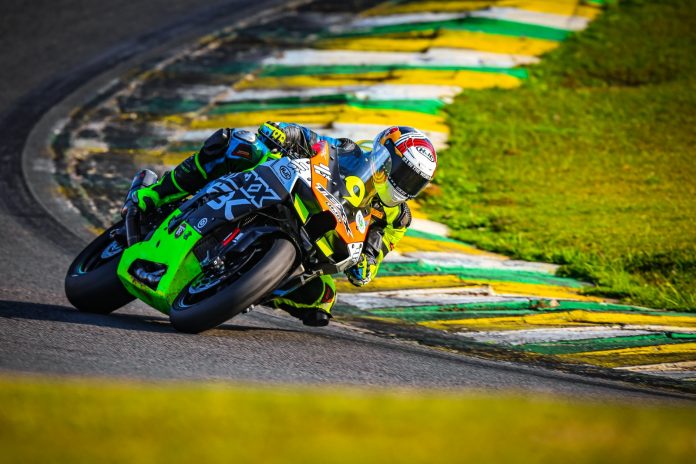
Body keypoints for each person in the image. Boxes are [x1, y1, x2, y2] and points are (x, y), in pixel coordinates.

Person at [133, 122, 437, 327]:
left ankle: (248, 286)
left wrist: (366, 264)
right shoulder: (351, 152)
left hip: (319, 241)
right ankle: (157, 193)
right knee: (238, 144)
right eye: (403, 173)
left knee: (322, 299)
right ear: (385, 156)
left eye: (414, 182)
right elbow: (314, 141)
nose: (403, 185)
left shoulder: (398, 217)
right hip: (295, 194)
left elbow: (377, 249)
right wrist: (285, 133)